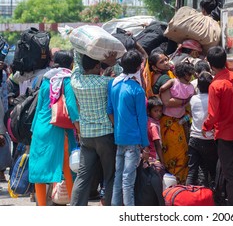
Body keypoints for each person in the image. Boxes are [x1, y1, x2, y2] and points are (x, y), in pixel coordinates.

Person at [29, 50, 80, 206]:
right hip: (59, 129)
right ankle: (73, 203)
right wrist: (79, 128)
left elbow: (38, 108)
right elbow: (71, 106)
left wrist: (33, 130)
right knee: (68, 167)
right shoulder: (67, 80)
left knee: (39, 170)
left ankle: (42, 206)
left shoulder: (45, 79)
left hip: (40, 128)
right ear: (71, 64)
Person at [70, 51, 120, 206]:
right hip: (105, 135)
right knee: (110, 175)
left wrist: (80, 51)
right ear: (98, 65)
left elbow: (77, 65)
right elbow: (121, 75)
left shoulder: (76, 82)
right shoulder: (105, 82)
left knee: (83, 175)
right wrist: (113, 62)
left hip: (86, 136)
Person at [202, 46, 233, 206]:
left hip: (225, 135)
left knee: (230, 173)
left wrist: (205, 127)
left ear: (210, 64)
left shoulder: (215, 85)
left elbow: (213, 115)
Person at [107, 50, 149, 206]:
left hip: (119, 137)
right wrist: (145, 145)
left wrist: (119, 126)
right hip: (133, 139)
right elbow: (142, 119)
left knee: (119, 176)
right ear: (139, 67)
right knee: (128, 180)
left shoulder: (114, 84)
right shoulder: (137, 89)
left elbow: (109, 111)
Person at [158, 61, 195, 183]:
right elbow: (169, 101)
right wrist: (184, 101)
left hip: (172, 122)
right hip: (175, 122)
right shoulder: (189, 88)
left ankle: (175, 179)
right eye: (190, 73)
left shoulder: (174, 82)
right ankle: (178, 179)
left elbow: (163, 91)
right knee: (179, 151)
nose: (191, 76)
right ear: (185, 74)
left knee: (175, 151)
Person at [186, 71, 218, 188]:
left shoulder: (193, 99)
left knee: (192, 171)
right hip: (208, 138)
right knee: (212, 170)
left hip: (194, 138)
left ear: (197, 86)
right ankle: (213, 197)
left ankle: (187, 197)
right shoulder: (212, 99)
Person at [146, 96, 164, 167]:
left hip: (149, 156)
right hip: (154, 156)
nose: (159, 113)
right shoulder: (154, 126)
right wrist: (162, 162)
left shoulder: (148, 121)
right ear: (149, 111)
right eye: (155, 111)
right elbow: (157, 145)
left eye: (160, 111)